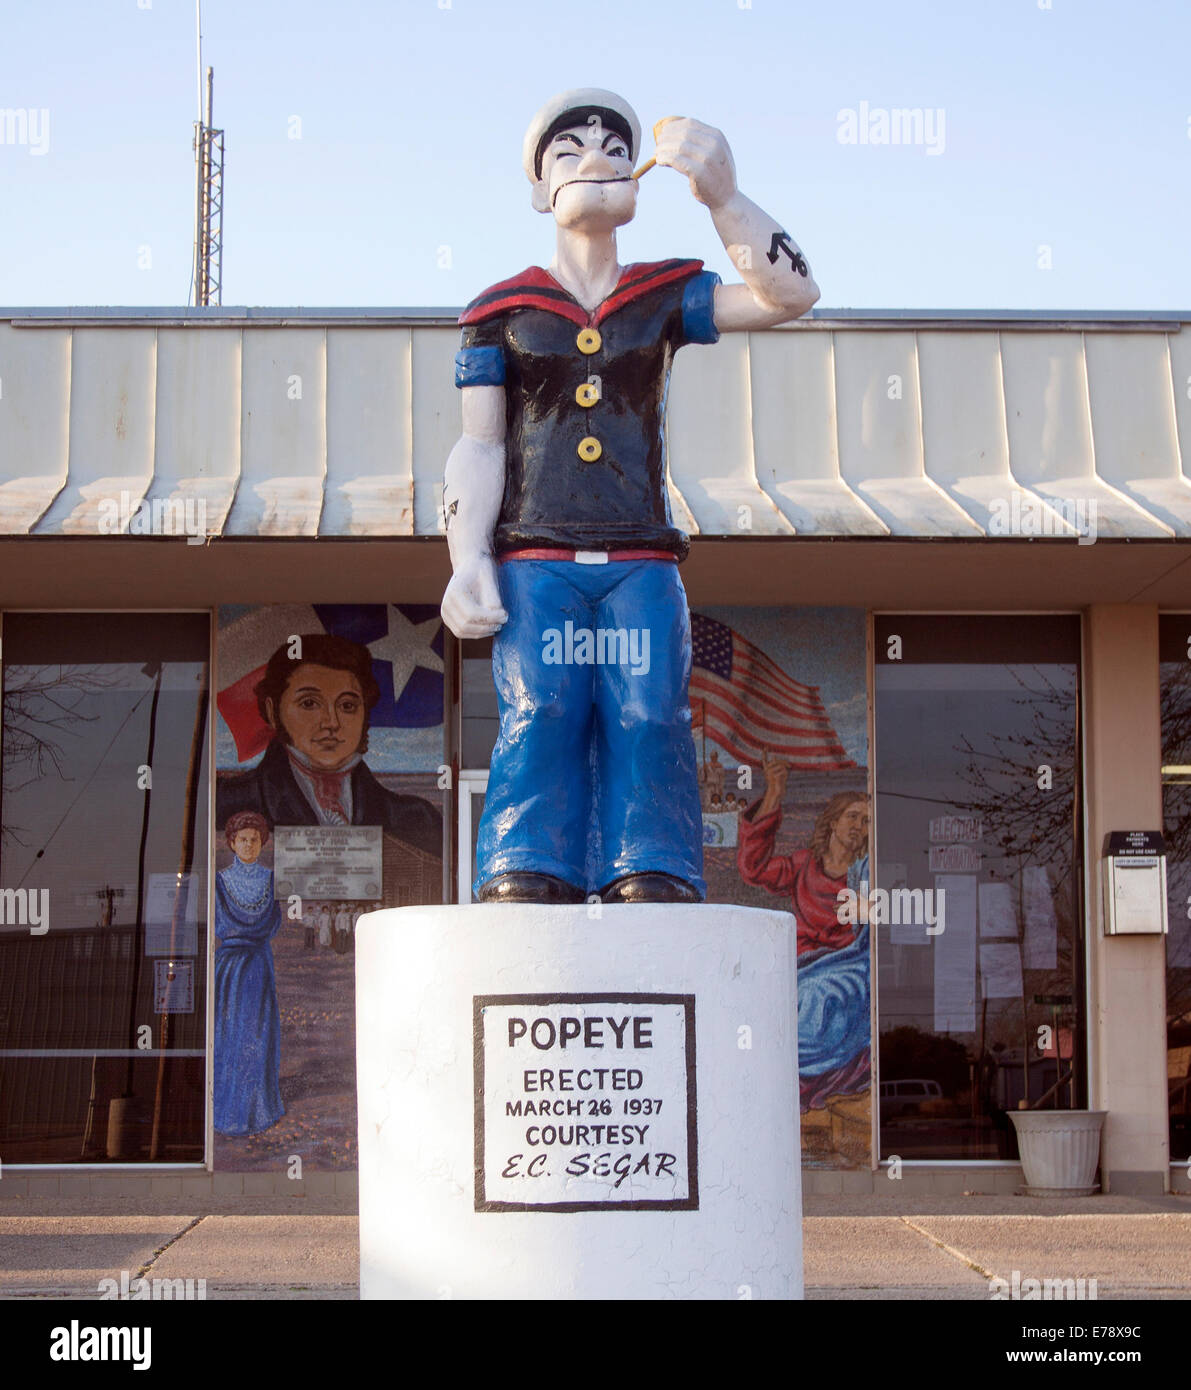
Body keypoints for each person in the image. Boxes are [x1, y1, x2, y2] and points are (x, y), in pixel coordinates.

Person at [442, 87, 819, 904]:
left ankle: (651, 863)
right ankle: (523, 862)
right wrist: (464, 555)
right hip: (535, 555)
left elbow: (788, 297)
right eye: (569, 150)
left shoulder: (663, 295)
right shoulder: (497, 311)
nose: (597, 157)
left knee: (649, 713)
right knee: (540, 707)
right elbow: (480, 442)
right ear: (540, 189)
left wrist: (725, 196)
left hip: (640, 554)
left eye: (615, 147)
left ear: (638, 181)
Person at [216, 633, 442, 859]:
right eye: (309, 703)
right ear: (273, 711)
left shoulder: (414, 817)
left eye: (347, 705)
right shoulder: (226, 803)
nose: (331, 722)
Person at [737, 756, 872, 1110]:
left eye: (867, 820)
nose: (860, 826)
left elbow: (876, 926)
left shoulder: (865, 874)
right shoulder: (803, 865)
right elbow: (755, 869)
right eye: (853, 816)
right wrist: (774, 795)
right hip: (802, 967)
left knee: (816, 1003)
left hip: (846, 968)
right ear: (833, 822)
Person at [213, 811, 285, 1136]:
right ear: (231, 842)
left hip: (258, 966)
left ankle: (259, 1108)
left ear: (263, 843)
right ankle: (230, 1110)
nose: (248, 845)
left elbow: (274, 922)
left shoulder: (272, 880)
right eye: (242, 839)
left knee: (260, 1034)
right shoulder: (219, 881)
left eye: (254, 839)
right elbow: (217, 923)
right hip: (229, 969)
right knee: (230, 1034)